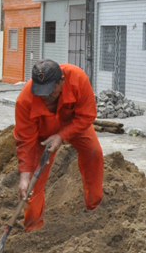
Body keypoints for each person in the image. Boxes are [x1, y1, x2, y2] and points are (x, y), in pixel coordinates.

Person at [13, 59, 103, 231]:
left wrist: (62, 136)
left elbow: (87, 115)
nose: (45, 97)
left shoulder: (78, 79)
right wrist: (24, 177)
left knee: (94, 153)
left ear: (61, 81)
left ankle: (94, 207)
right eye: (41, 92)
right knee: (33, 181)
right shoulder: (25, 100)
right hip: (42, 134)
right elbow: (25, 140)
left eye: (49, 91)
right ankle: (33, 229)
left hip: (74, 124)